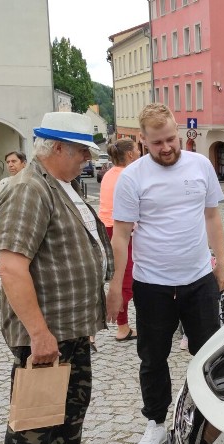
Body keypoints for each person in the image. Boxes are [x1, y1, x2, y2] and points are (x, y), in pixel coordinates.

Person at [0, 112, 113, 444]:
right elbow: (11, 268)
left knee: (72, 406)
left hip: (72, 327)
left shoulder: (59, 184)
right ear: (57, 148)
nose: (86, 159)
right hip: (44, 333)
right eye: (82, 151)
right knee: (34, 416)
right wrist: (39, 334)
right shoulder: (28, 189)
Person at [108, 103, 224, 444]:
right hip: (153, 284)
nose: (167, 148)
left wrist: (220, 264)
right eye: (157, 142)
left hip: (198, 279)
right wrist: (117, 284)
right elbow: (121, 235)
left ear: (179, 133)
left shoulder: (200, 165)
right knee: (153, 357)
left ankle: (209, 418)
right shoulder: (133, 177)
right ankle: (156, 422)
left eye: (171, 139)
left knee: (208, 353)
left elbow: (213, 217)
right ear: (142, 141)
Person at [98, 139, 139, 342]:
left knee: (121, 276)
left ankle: (121, 325)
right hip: (120, 229)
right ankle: (121, 327)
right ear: (130, 154)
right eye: (137, 149)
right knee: (126, 280)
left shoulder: (109, 174)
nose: (140, 152)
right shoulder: (127, 175)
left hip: (108, 227)